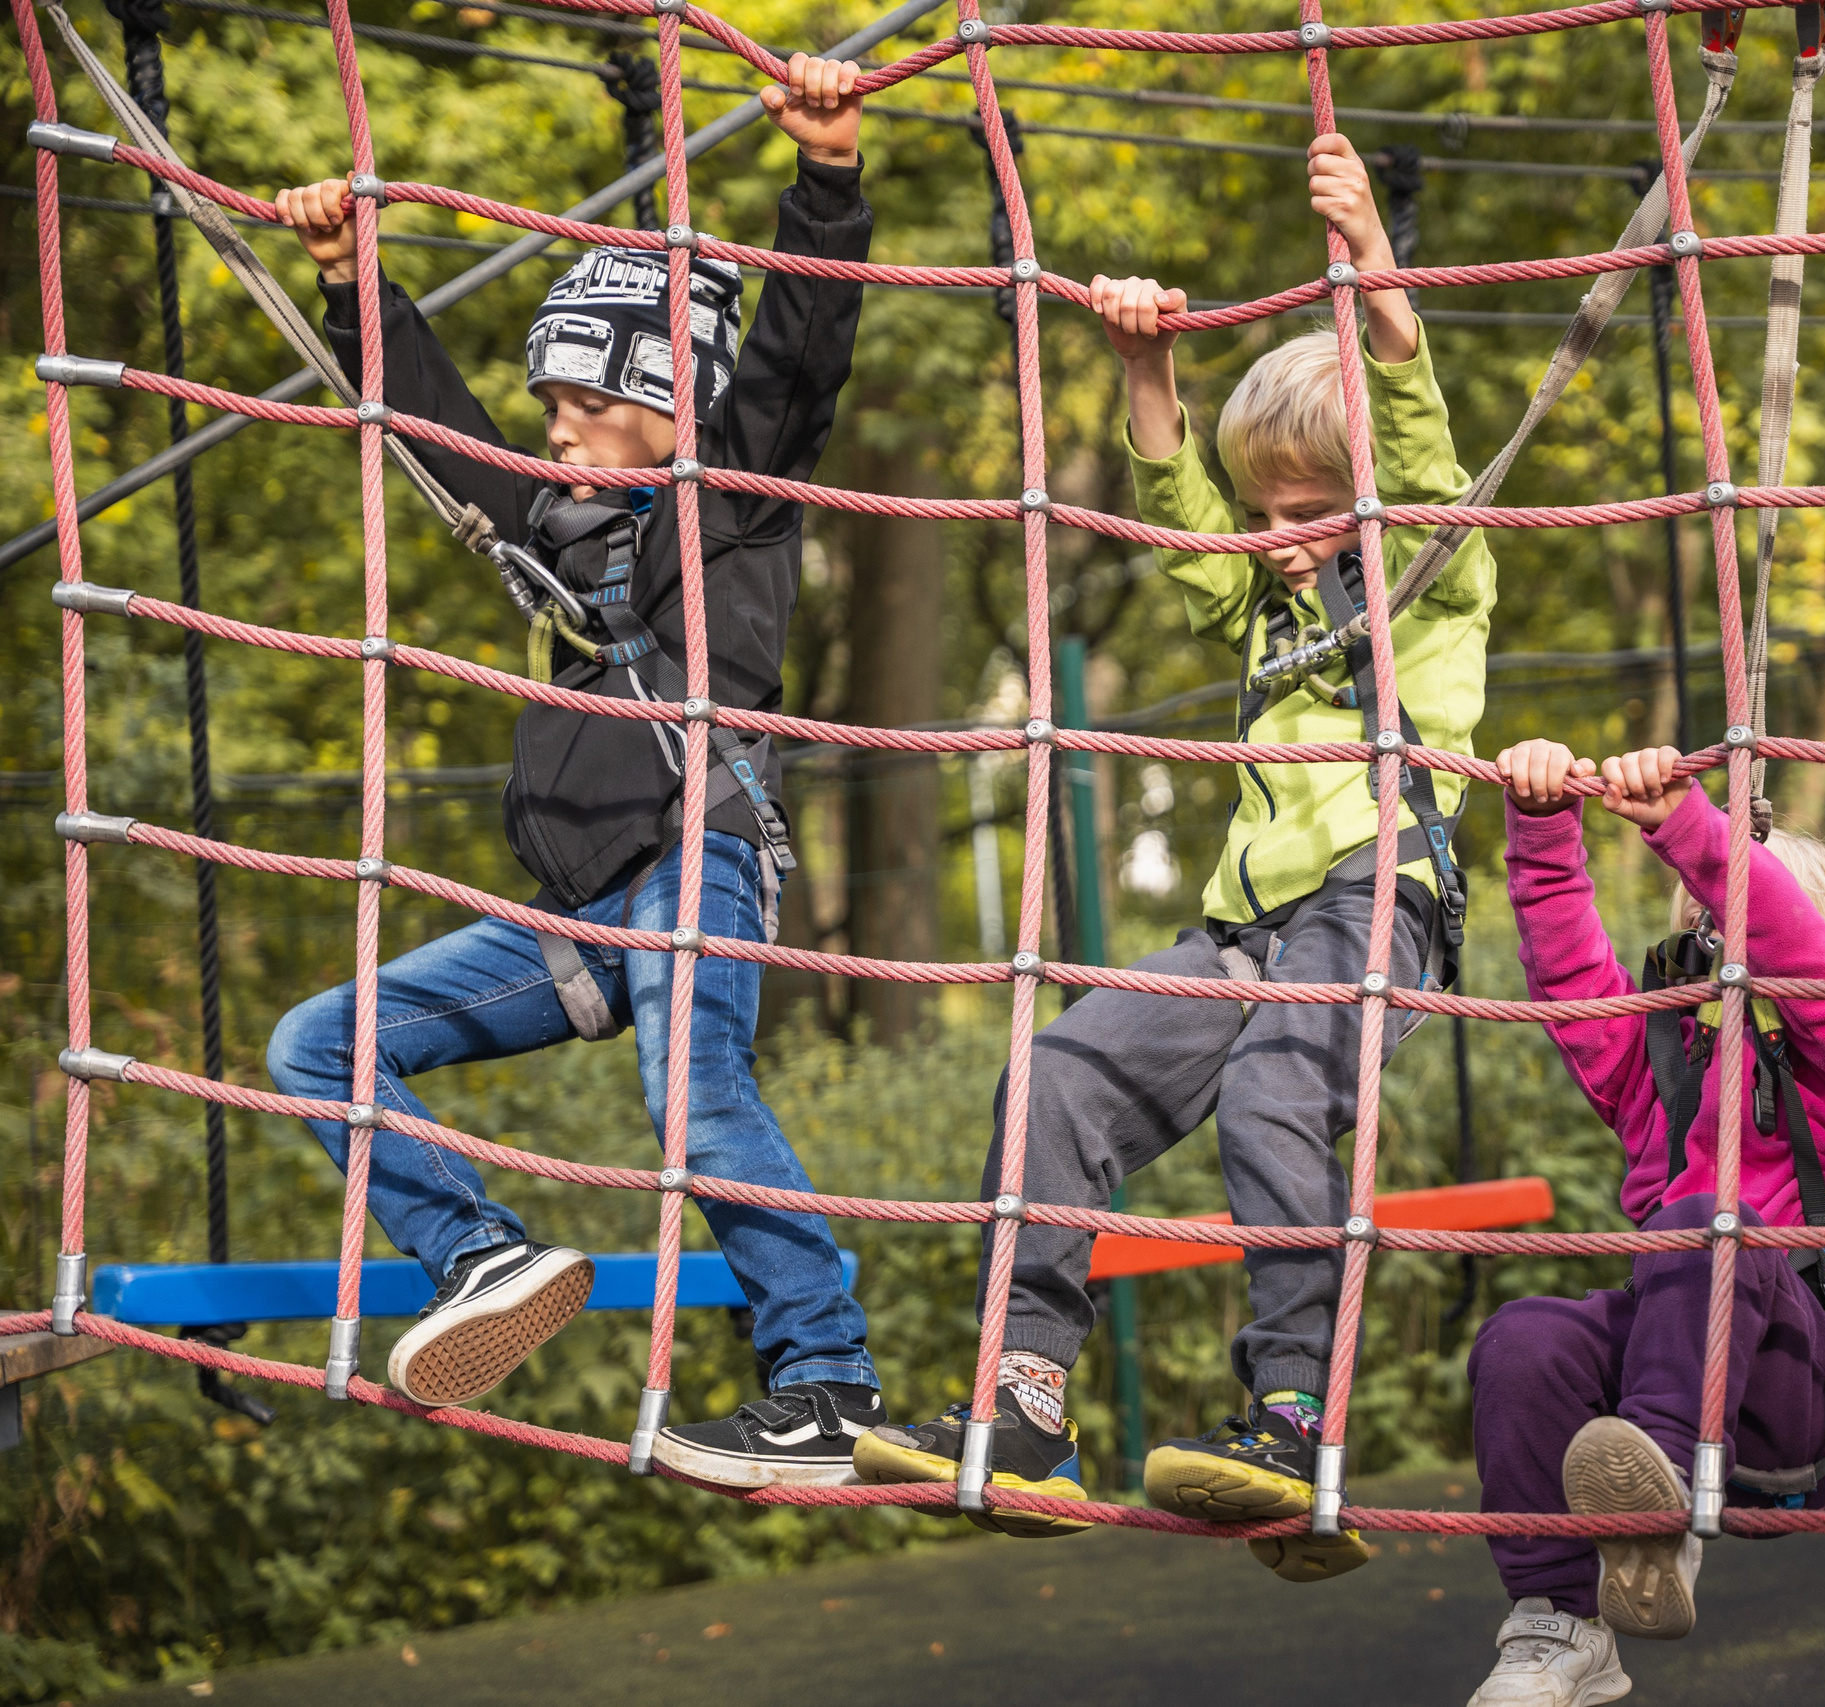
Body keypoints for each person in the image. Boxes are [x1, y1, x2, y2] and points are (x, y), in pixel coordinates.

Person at [856, 135, 1492, 1578]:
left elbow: (1416, 423)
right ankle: (1027, 1405)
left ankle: (1291, 1415)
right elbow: (1182, 522)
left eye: (1307, 510)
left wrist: (1373, 260)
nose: (1277, 538)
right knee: (1060, 1071)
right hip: (1243, 927)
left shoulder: (1439, 569)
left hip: (1375, 900)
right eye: (1265, 508)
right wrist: (1146, 365)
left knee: (1279, 1086)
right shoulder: (1260, 610)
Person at [264, 57, 883, 1488]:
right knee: (321, 1042)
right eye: (546, 401)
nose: (551, 425)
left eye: (581, 400)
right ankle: (484, 1254)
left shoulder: (728, 503)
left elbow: (799, 354)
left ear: (669, 398)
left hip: (694, 857)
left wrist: (827, 183)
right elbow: (432, 426)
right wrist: (356, 280)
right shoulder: (554, 528)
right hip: (579, 907)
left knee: (694, 1093)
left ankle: (827, 1377)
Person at [1456, 741, 1825, 1706]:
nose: (1728, 942)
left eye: (1739, 913)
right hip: (1672, 1361)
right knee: (1524, 1335)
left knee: (1715, 1223)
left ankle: (1654, 1489)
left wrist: (1686, 823)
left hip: (1800, 1392)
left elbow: (1795, 953)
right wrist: (1543, 826)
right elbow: (1575, 982)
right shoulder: (1665, 1066)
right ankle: (1560, 1623)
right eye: (1708, 927)